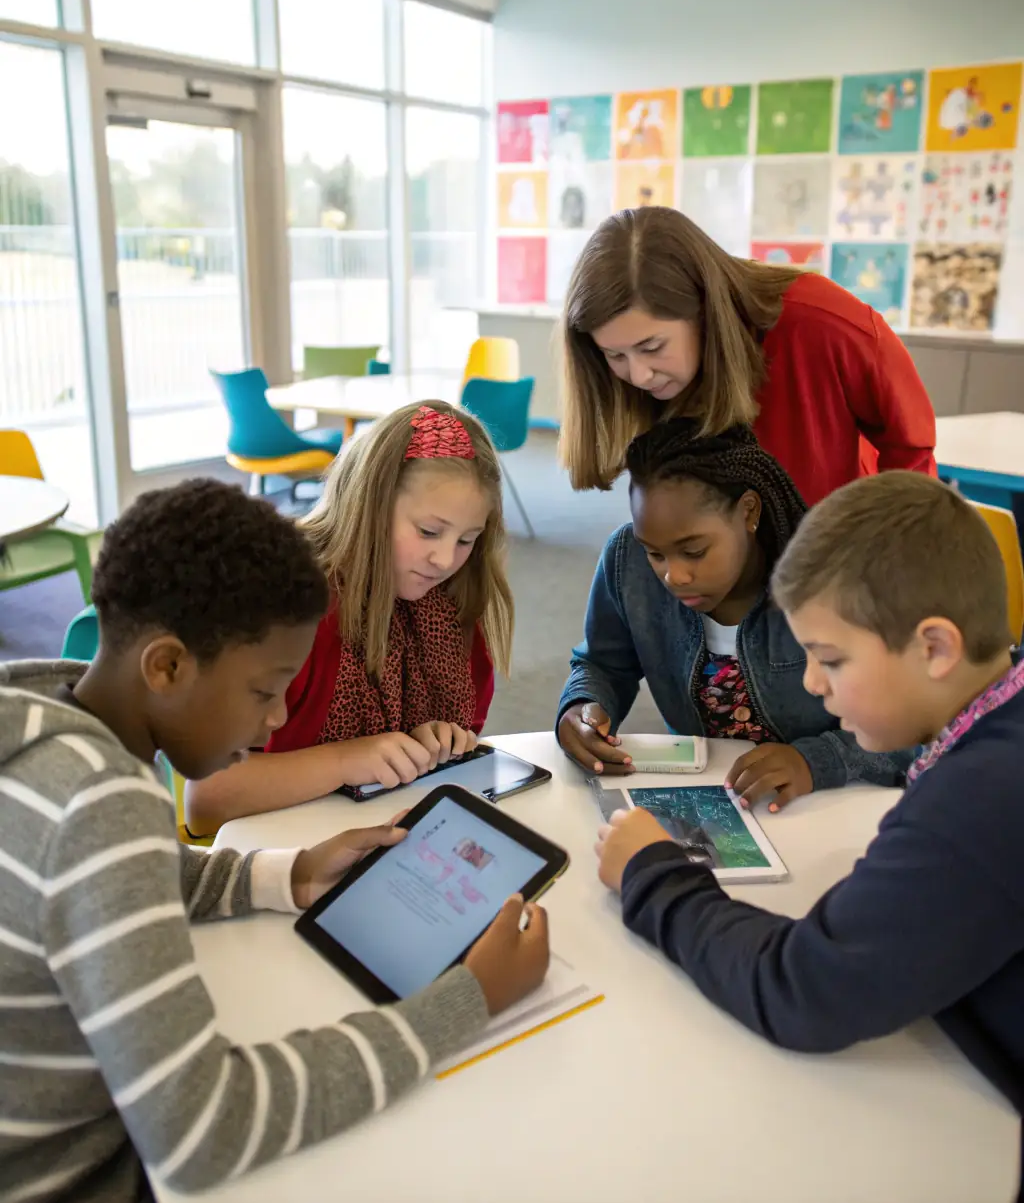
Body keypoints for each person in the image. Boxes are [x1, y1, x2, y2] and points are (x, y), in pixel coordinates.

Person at [0, 479, 548, 1202]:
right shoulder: (100, 804)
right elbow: (203, 1129)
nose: (279, 718)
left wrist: (288, 874)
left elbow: (123, 883)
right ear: (165, 666)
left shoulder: (47, 720)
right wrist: (469, 996)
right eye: (265, 691)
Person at [595, 472, 1023, 1177]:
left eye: (831, 660)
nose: (815, 687)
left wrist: (653, 871)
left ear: (936, 648)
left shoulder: (978, 800)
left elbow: (802, 990)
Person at [185, 402, 514, 836]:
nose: (444, 559)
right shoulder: (282, 607)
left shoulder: (449, 604)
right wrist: (346, 759)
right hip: (277, 856)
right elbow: (205, 799)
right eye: (429, 532)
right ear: (369, 505)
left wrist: (430, 741)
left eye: (467, 539)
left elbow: (446, 748)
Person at [557, 419, 913, 802]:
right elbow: (604, 664)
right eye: (655, 553)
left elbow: (916, 726)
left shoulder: (833, 578)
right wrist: (581, 706)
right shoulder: (626, 560)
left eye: (694, 551)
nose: (672, 575)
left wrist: (815, 761)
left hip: (830, 803)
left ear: (748, 511)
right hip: (711, 797)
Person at [559, 206, 936, 505]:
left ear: (704, 310)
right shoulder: (643, 367)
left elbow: (910, 451)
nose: (639, 376)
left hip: (832, 556)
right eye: (614, 355)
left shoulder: (824, 324)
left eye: (652, 348)